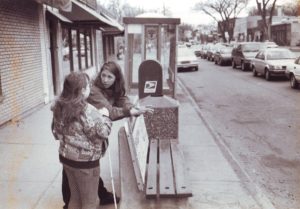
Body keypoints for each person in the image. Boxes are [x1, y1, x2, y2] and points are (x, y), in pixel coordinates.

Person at [62, 61, 153, 208]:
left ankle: (96, 194)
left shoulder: (113, 89)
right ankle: (71, 202)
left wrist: (130, 107)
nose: (105, 79)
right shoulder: (93, 91)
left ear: (116, 79)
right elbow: (108, 113)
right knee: (79, 177)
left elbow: (121, 98)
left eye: (109, 77)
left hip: (79, 148)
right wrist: (127, 112)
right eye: (103, 75)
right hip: (84, 146)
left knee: (85, 174)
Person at [52, 72, 112, 209]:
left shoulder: (58, 107)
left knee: (75, 199)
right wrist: (106, 117)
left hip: (67, 159)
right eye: (88, 86)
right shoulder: (88, 110)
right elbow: (100, 135)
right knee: (91, 201)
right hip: (86, 164)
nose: (90, 89)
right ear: (83, 91)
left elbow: (57, 132)